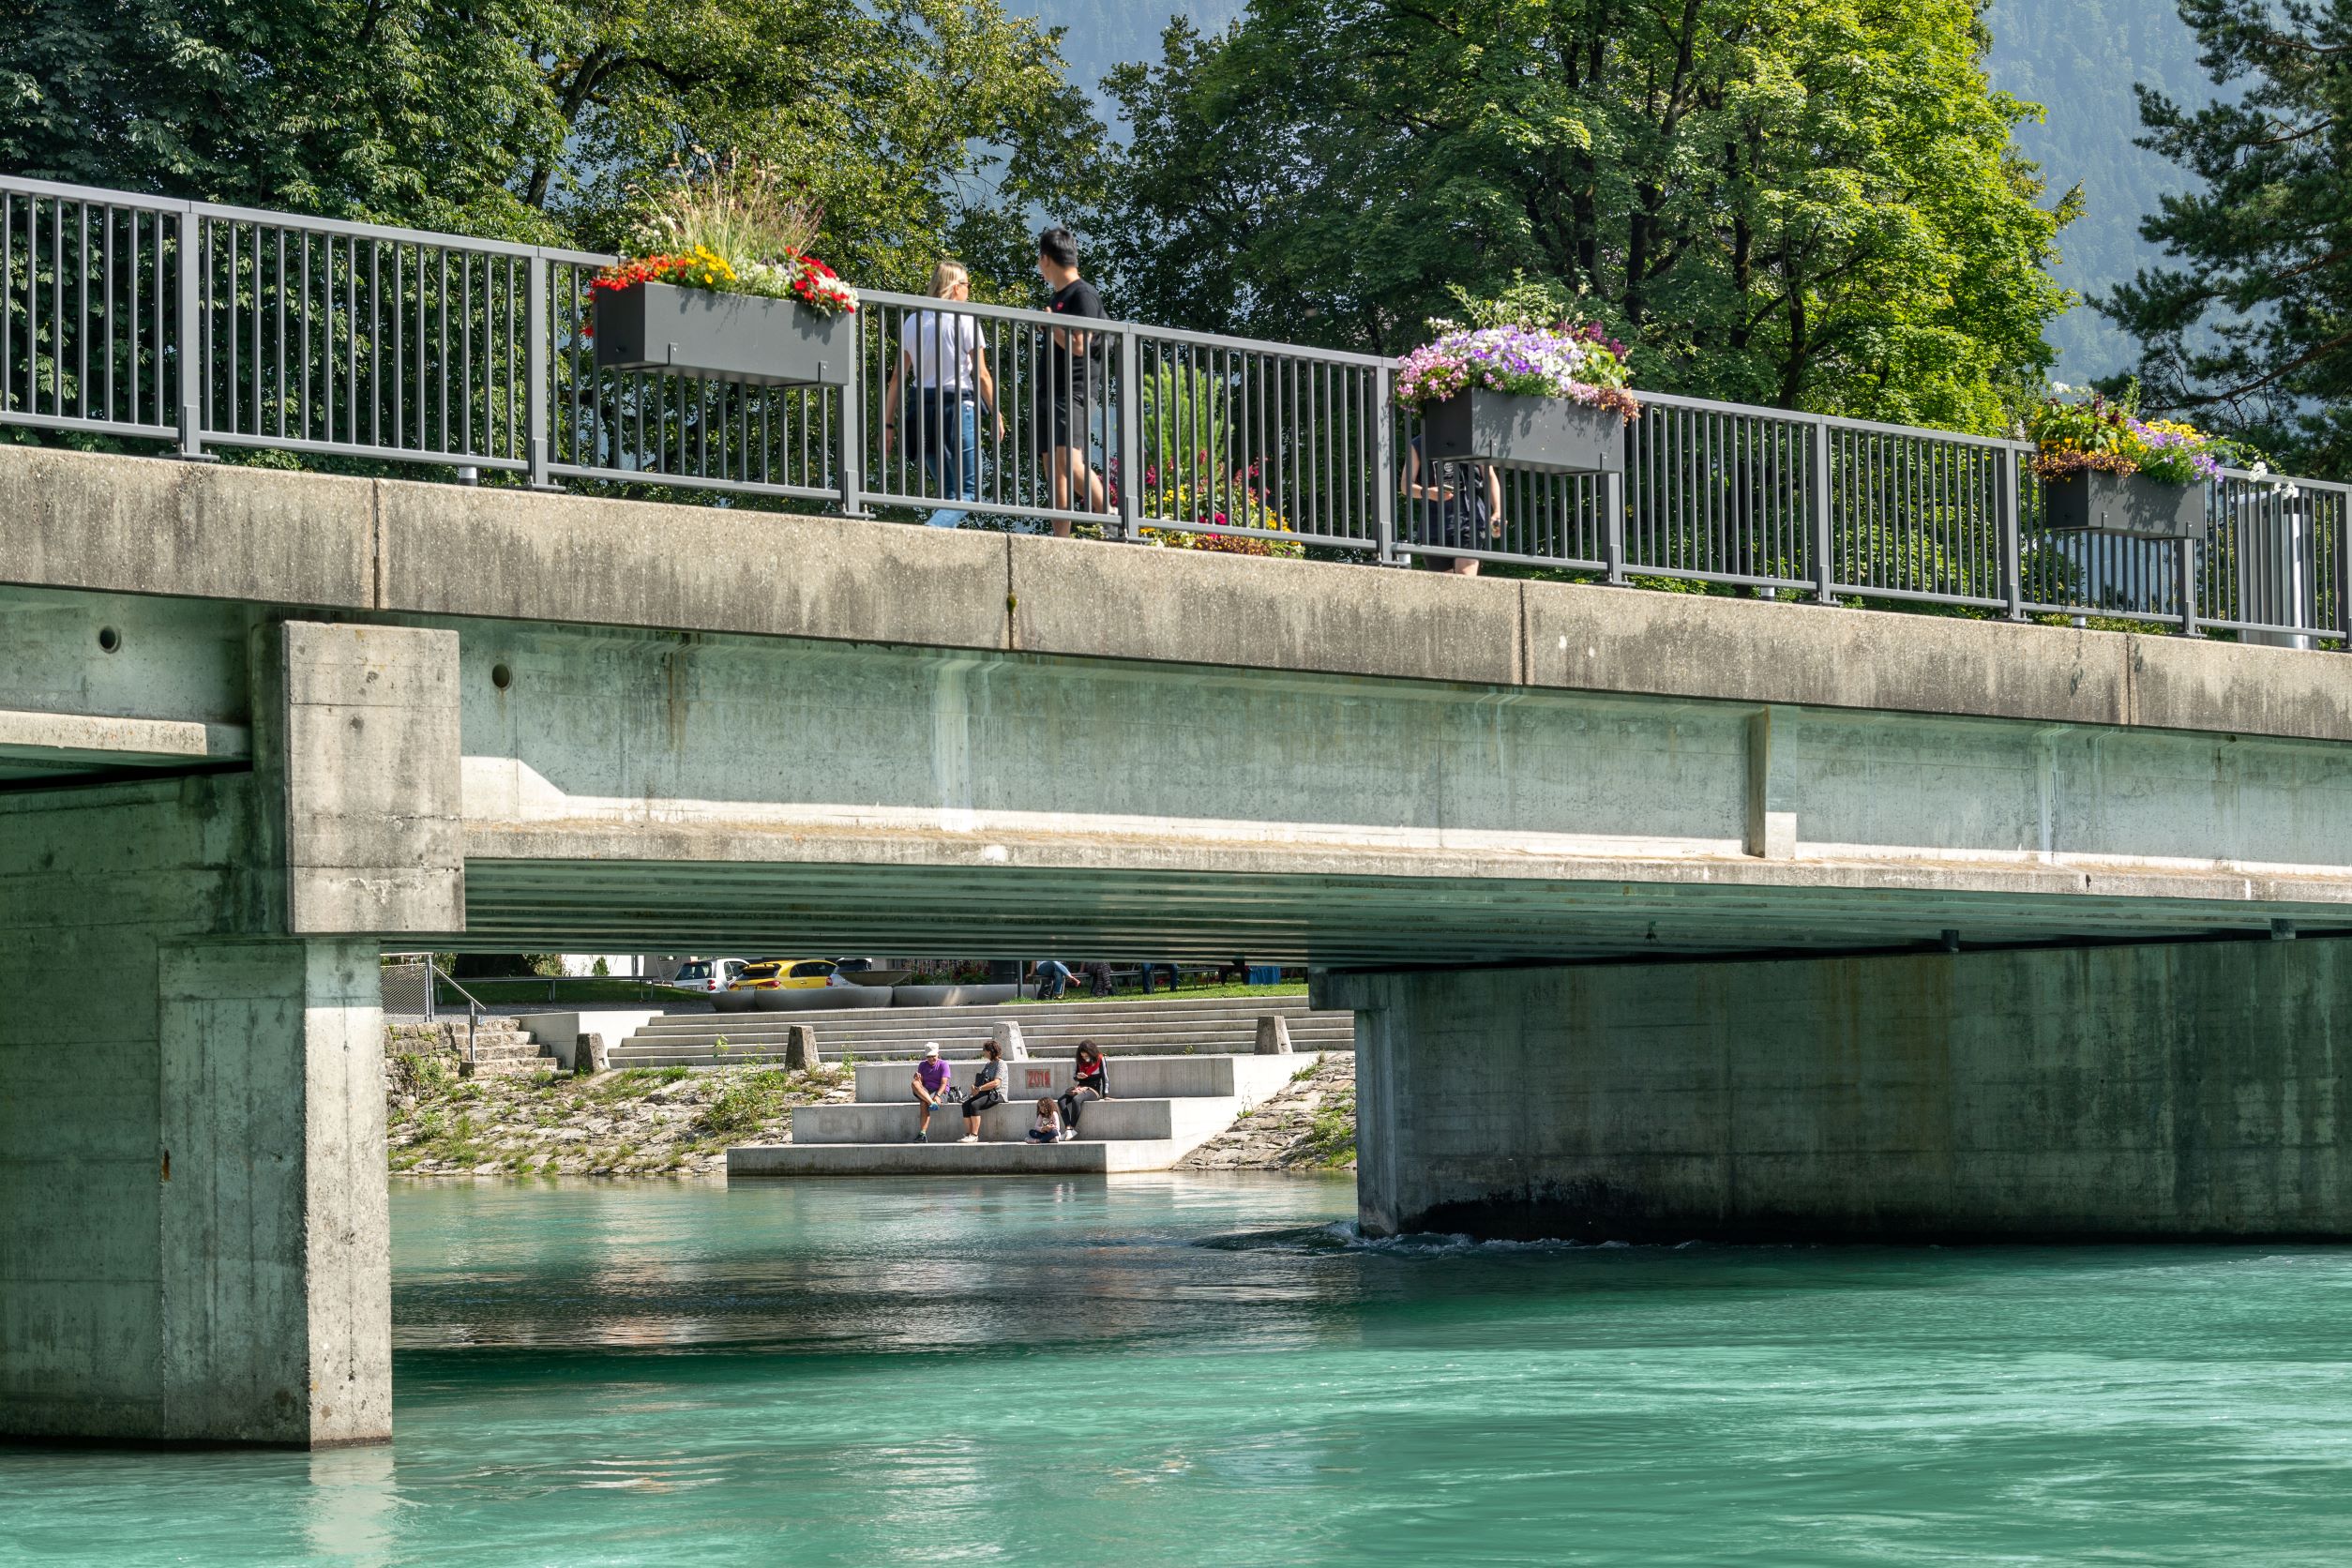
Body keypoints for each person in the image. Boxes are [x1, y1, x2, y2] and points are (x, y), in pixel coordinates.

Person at [882, 262, 1005, 529]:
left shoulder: (913, 320)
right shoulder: (965, 320)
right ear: (954, 288)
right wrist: (995, 412)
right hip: (957, 409)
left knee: (950, 495)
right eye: (967, 286)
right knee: (968, 496)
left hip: (921, 411)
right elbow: (982, 375)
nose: (969, 292)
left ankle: (931, 544)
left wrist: (888, 424)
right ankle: (926, 535)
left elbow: (896, 377)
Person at [1033, 227, 1109, 533]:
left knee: (1070, 463)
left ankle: (1115, 524)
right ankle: (1061, 540)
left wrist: (1050, 325)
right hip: (1049, 391)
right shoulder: (1060, 296)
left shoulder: (1083, 294)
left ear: (1046, 259)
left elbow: (1079, 345)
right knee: (1054, 469)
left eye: (1039, 260)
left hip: (1073, 391)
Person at [1402, 433, 1505, 575]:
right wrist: (1428, 493)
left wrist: (1498, 510)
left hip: (1471, 520)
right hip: (1434, 526)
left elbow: (1489, 476)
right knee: (1445, 587)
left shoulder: (1474, 438)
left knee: (1464, 577)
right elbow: (1405, 485)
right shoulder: (1419, 443)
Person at [1059, 1040, 1109, 1136]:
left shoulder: (1100, 1058)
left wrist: (1105, 1094)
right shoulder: (1079, 1060)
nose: (1084, 1058)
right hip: (1081, 1087)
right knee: (1061, 1101)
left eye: (1086, 1056)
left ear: (1091, 1053)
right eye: (1082, 1056)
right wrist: (1078, 1076)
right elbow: (1074, 1076)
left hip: (1094, 1089)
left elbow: (1105, 1077)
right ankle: (1068, 1128)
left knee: (1076, 1100)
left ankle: (1072, 1128)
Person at [959, 1039, 1006, 1143]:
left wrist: (980, 1088)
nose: (983, 1052)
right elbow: (981, 1080)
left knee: (975, 1105)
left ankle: (974, 1135)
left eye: (984, 1050)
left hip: (998, 1094)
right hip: (986, 1093)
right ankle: (968, 1134)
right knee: (966, 1105)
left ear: (990, 1051)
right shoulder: (988, 1065)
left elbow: (996, 1083)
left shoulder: (1001, 1064)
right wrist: (974, 1086)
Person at [910, 1041, 953, 1142]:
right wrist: (918, 1078)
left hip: (940, 1091)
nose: (931, 1059)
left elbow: (943, 1084)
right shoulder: (922, 1065)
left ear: (938, 1054)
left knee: (923, 1103)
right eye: (928, 1056)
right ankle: (932, 1103)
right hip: (927, 1091)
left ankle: (922, 1134)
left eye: (933, 1056)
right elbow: (920, 1084)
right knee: (914, 1083)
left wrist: (938, 1095)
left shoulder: (943, 1064)